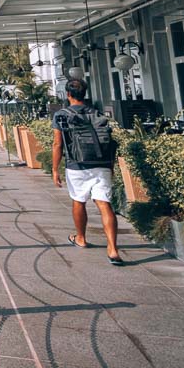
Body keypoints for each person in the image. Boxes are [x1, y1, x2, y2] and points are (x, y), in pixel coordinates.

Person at [52, 78, 124, 265]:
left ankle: (81, 238)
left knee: (79, 200)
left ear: (67, 94)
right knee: (104, 204)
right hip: (101, 162)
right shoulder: (97, 112)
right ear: (84, 93)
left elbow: (57, 144)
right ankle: (113, 249)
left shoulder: (61, 115)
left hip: (77, 164)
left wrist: (55, 169)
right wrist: (110, 166)